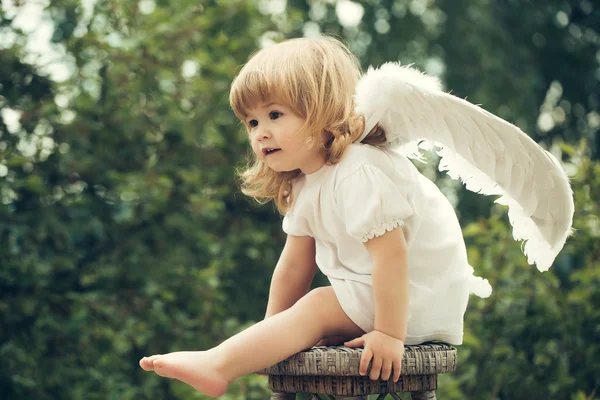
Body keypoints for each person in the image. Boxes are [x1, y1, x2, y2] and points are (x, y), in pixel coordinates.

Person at [138, 36, 566, 398]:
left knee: (321, 303)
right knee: (311, 307)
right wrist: (272, 333)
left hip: (417, 295)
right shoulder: (307, 182)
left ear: (321, 110)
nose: (260, 132)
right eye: (250, 122)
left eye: (274, 114)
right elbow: (294, 264)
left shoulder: (357, 169)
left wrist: (388, 335)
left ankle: (218, 367)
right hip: (381, 294)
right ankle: (232, 356)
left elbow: (392, 256)